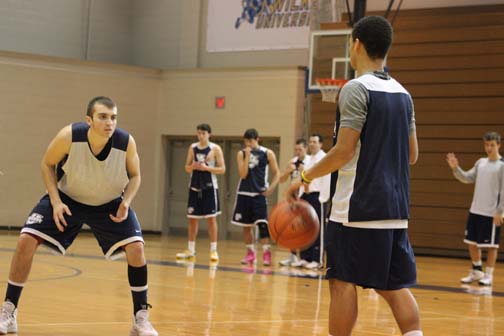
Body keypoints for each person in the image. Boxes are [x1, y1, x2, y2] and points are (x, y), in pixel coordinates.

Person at [288, 16, 422, 336]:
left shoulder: (356, 89)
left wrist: (304, 177)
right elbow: (412, 155)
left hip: (357, 208)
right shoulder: (403, 94)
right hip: (396, 209)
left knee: (342, 281)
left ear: (357, 44)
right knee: (393, 285)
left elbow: (344, 151)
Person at [0, 97, 158, 336]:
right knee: (26, 239)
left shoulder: (126, 142)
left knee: (136, 248)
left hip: (109, 203)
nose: (109, 122)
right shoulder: (69, 136)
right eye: (103, 117)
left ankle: (140, 319)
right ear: (89, 120)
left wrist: (126, 202)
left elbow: (135, 176)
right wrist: (54, 201)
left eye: (113, 117)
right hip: (68, 199)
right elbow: (47, 164)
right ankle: (9, 311)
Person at [446, 131, 504, 286]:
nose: (489, 148)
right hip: (475, 210)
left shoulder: (501, 166)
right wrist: (456, 168)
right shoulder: (480, 163)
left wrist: (500, 211)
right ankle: (477, 271)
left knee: (491, 246)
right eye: (486, 144)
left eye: (492, 145)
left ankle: (489, 275)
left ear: (499, 145)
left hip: (491, 213)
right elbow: (466, 178)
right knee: (471, 242)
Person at [176, 123, 226, 263]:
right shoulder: (192, 147)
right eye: (199, 133)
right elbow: (186, 167)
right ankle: (191, 250)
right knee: (192, 219)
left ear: (209, 134)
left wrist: (206, 168)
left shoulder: (215, 149)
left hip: (210, 187)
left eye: (203, 133)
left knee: (211, 219)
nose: (201, 136)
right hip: (194, 186)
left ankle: (214, 250)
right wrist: (193, 166)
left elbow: (222, 169)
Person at [231, 128, 279, 266]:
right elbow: (243, 174)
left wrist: (271, 189)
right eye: (246, 141)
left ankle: (266, 253)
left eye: (250, 141)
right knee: (246, 227)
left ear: (257, 139)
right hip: (244, 193)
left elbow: (277, 173)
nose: (248, 144)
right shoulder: (241, 154)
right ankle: (250, 254)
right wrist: (247, 157)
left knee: (263, 225)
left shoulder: (267, 153)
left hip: (259, 195)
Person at [291, 133, 330, 270]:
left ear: (321, 144)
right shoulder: (308, 159)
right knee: (306, 228)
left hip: (317, 196)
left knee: (318, 228)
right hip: (305, 196)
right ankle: (305, 257)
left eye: (315, 142)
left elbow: (327, 179)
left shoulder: (324, 158)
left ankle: (317, 259)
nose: (312, 144)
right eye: (311, 141)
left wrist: (323, 197)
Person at [278, 138, 309, 267]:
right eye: (296, 149)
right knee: (292, 228)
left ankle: (303, 256)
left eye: (300, 149)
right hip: (292, 198)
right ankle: (292, 255)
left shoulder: (309, 162)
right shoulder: (292, 162)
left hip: (304, 198)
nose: (297, 152)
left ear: (305, 149)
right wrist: (287, 171)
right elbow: (282, 180)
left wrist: (303, 170)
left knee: (303, 228)